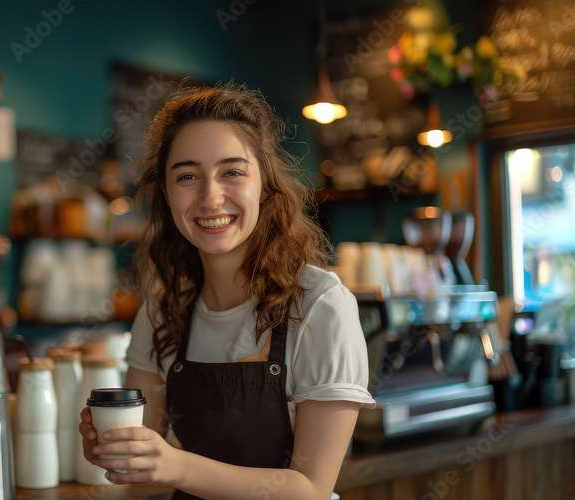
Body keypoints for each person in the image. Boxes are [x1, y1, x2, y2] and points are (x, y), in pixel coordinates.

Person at [78, 83, 375, 499]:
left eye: (232, 172)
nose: (210, 197)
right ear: (166, 192)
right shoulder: (163, 308)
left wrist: (175, 465)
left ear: (264, 183)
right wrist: (118, 450)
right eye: (187, 176)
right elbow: (146, 449)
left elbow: (310, 489)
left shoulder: (319, 305)